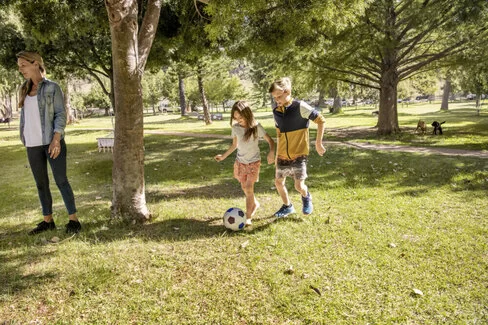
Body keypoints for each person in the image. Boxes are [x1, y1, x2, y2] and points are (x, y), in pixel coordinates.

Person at [16, 51, 81, 235]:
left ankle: (73, 220)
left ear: (35, 63)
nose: (20, 69)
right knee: (41, 183)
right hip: (32, 144)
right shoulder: (24, 88)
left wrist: (56, 139)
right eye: (19, 66)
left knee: (61, 180)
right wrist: (24, 137)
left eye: (23, 65)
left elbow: (61, 114)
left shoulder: (52, 87)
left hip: (51, 142)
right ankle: (48, 221)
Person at [269, 77, 326, 218]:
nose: (277, 100)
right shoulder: (276, 111)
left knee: (298, 186)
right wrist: (276, 156)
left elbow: (321, 120)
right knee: (278, 182)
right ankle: (287, 206)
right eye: (274, 98)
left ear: (287, 91)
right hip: (282, 154)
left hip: (299, 154)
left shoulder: (300, 106)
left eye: (279, 96)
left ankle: (306, 196)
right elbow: (279, 134)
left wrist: (318, 143)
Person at [214, 100, 275, 225]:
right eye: (235, 118)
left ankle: (248, 217)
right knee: (244, 187)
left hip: (254, 163)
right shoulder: (236, 128)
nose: (238, 120)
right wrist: (223, 156)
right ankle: (255, 204)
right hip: (240, 163)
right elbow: (234, 145)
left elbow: (271, 141)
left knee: (248, 188)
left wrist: (271, 152)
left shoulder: (256, 127)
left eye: (240, 117)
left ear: (248, 114)